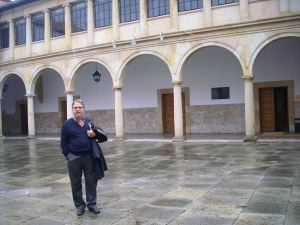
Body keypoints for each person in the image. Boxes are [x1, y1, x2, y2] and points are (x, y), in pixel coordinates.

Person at [60, 99, 100, 216]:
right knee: (75, 183)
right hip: (74, 158)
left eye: (80, 107)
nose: (78, 109)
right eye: (75, 107)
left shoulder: (89, 122)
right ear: (72, 110)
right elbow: (63, 142)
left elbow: (97, 136)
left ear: (83, 109)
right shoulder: (67, 124)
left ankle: (92, 204)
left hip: (89, 157)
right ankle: (79, 206)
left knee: (91, 181)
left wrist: (94, 134)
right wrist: (68, 155)